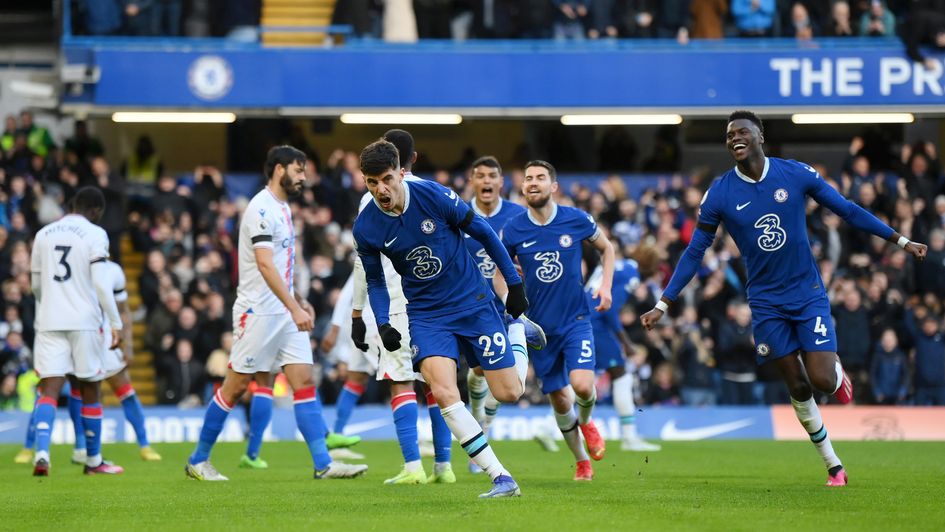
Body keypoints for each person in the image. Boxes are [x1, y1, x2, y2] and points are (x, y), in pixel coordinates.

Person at [640, 110, 928, 487]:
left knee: (823, 380)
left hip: (807, 293)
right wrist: (664, 302)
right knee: (797, 385)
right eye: (729, 136)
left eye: (742, 132)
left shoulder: (795, 173)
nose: (735, 139)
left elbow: (847, 209)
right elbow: (695, 250)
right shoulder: (720, 193)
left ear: (760, 136)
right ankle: (833, 465)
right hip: (765, 303)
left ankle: (835, 373)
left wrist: (900, 240)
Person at [354, 139, 528, 498]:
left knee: (509, 392)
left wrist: (513, 283)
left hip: (473, 302)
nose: (380, 190)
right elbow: (374, 279)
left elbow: (483, 232)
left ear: (402, 172)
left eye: (386, 179)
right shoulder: (366, 226)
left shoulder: (434, 195)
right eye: (372, 183)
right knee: (445, 391)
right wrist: (384, 322)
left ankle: (517, 330)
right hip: (428, 315)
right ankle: (501, 477)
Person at [185, 146, 367, 481]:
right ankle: (198, 459)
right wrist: (294, 305)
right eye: (299, 171)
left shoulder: (281, 207)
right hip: (258, 312)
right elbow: (265, 265)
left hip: (283, 312)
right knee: (236, 387)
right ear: (279, 169)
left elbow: (280, 268)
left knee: (303, 380)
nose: (303, 178)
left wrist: (298, 298)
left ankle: (323, 463)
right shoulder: (261, 208)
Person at [501, 160, 615, 481]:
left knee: (581, 385)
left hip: (575, 319)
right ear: (523, 188)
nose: (533, 183)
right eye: (528, 179)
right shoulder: (513, 229)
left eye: (540, 178)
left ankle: (589, 421)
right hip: (539, 330)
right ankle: (581, 461)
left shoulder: (575, 219)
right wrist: (512, 303)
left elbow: (607, 249)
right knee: (560, 399)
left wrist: (605, 286)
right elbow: (499, 271)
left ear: (553, 187)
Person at [29, 186, 124, 476]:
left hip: (49, 320)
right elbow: (100, 283)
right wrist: (115, 321)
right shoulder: (96, 234)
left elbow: (35, 285)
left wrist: (48, 307)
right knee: (90, 386)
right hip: (84, 321)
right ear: (95, 211)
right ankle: (94, 461)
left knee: (50, 389)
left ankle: (42, 453)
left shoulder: (43, 234)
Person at [461, 156, 546, 444]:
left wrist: (525, 266)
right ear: (472, 180)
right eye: (480, 175)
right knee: (479, 372)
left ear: (501, 182)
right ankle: (477, 416)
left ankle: (482, 429)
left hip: (504, 306)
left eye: (492, 176)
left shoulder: (516, 215)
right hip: (469, 307)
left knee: (503, 374)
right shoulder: (457, 214)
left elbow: (534, 251)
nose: (486, 181)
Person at [584, 245, 660, 451]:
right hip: (596, 324)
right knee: (621, 374)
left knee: (582, 376)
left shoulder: (618, 266)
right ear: (649, 267)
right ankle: (629, 437)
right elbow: (608, 309)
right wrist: (626, 343)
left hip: (582, 320)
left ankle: (548, 426)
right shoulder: (631, 275)